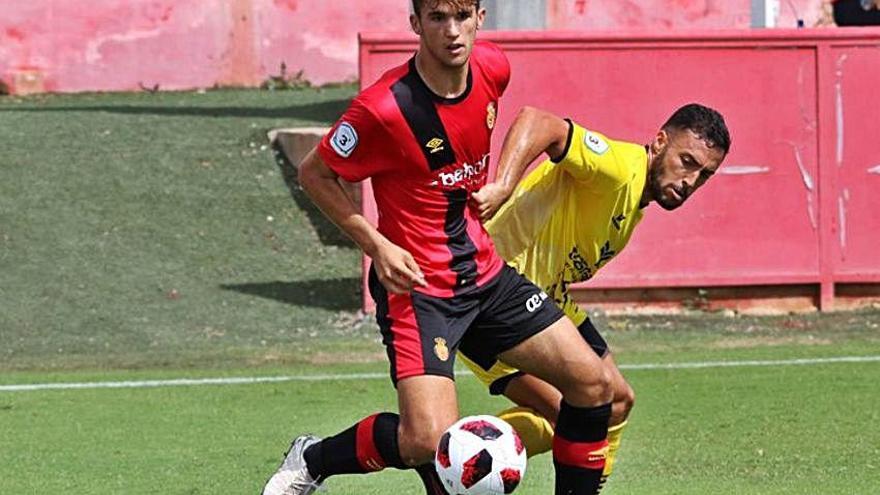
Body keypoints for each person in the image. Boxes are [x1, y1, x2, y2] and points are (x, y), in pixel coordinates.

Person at [262, 1, 616, 494]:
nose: (452, 31)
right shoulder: (383, 108)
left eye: (462, 16)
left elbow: (532, 122)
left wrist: (506, 183)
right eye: (436, 18)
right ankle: (314, 457)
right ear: (416, 23)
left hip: (486, 277)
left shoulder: (494, 67)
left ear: (480, 18)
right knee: (426, 440)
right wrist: (377, 245)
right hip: (419, 289)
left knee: (594, 385)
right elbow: (315, 173)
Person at [462, 102, 731, 489]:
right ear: (659, 142)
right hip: (490, 296)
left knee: (617, 401)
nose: (691, 180)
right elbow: (539, 121)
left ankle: (588, 480)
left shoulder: (636, 199)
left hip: (545, 298)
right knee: (577, 415)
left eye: (704, 175)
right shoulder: (621, 168)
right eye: (686, 161)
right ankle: (450, 454)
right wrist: (503, 185)